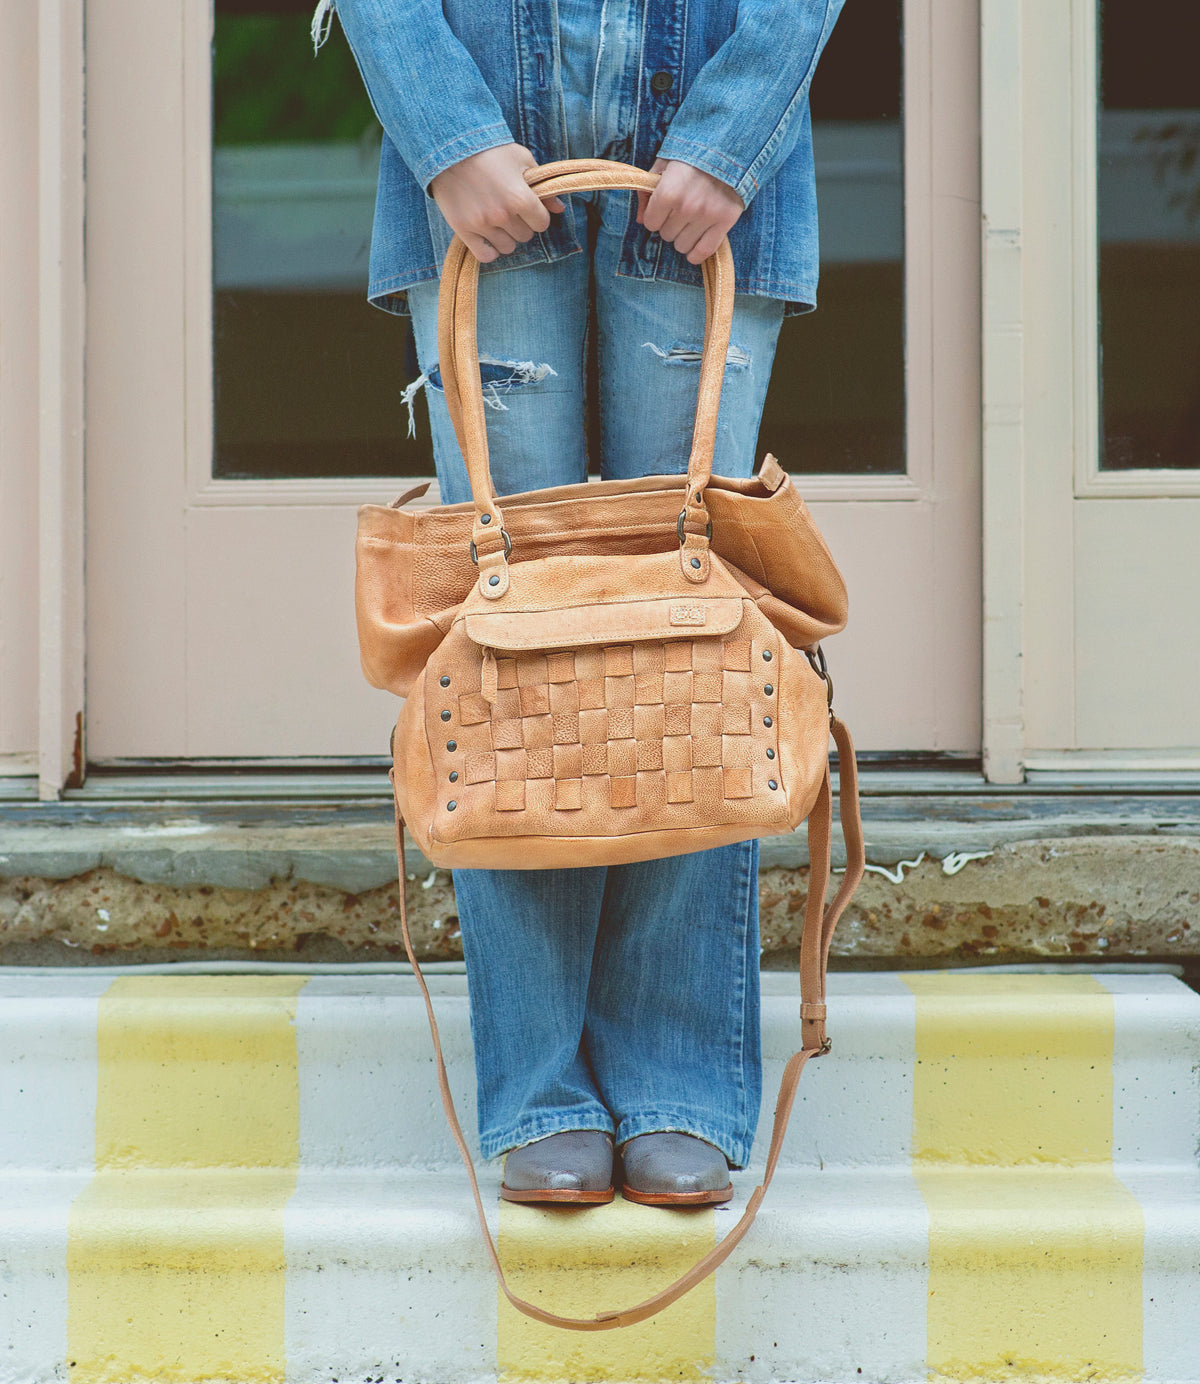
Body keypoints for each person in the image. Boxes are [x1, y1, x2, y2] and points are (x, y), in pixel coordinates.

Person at [316, 0, 844, 1205]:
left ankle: (679, 1083)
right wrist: (447, 136)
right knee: (517, 649)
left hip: (710, 173)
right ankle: (541, 1086)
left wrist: (731, 137)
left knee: (687, 626)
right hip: (482, 175)